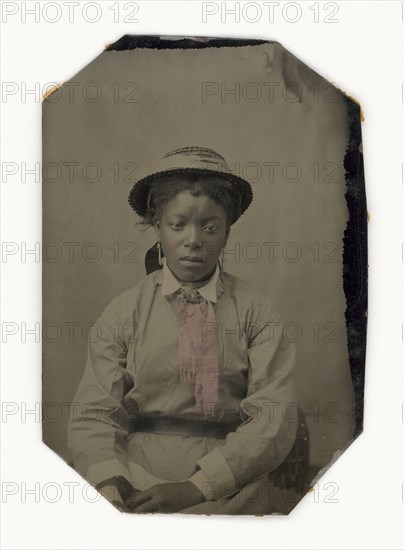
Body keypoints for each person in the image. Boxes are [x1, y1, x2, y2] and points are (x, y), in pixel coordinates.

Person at [67, 146, 300, 515]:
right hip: (136, 477)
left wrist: (198, 487)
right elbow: (94, 413)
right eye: (178, 225)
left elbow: (274, 416)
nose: (194, 239)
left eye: (210, 227)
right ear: (158, 226)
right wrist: (112, 483)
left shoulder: (256, 311)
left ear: (226, 234)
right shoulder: (125, 312)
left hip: (231, 486)